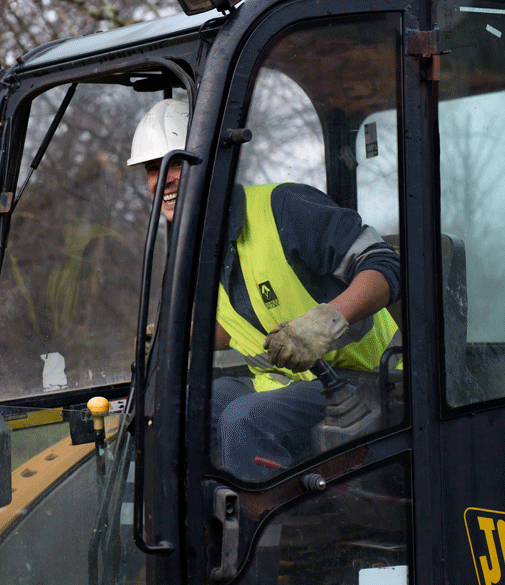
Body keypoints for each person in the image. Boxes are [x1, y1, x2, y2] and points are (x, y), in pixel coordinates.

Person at [128, 98, 400, 481]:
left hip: (368, 386)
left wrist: (325, 323)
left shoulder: (284, 207)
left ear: (214, 161)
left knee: (244, 420)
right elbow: (242, 322)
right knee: (176, 409)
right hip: (287, 386)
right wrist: (176, 336)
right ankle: (195, 528)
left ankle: (267, 534)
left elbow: (385, 265)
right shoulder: (195, 247)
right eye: (152, 169)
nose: (163, 180)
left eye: (176, 162)